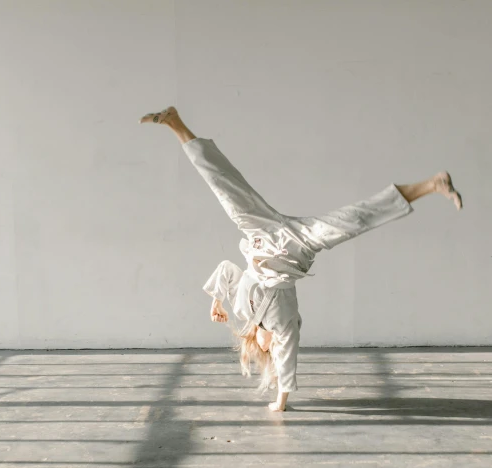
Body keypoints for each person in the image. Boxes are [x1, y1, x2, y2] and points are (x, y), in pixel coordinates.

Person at [140, 107, 462, 411]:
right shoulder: (285, 325)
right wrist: (281, 401)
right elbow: (287, 357)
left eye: (261, 348)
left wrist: (216, 301)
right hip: (298, 244)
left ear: (255, 342)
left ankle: (175, 123)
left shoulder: (242, 310)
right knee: (355, 219)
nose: (267, 348)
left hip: (261, 233)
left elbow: (227, 270)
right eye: (268, 351)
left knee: (224, 185)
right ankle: (432, 184)